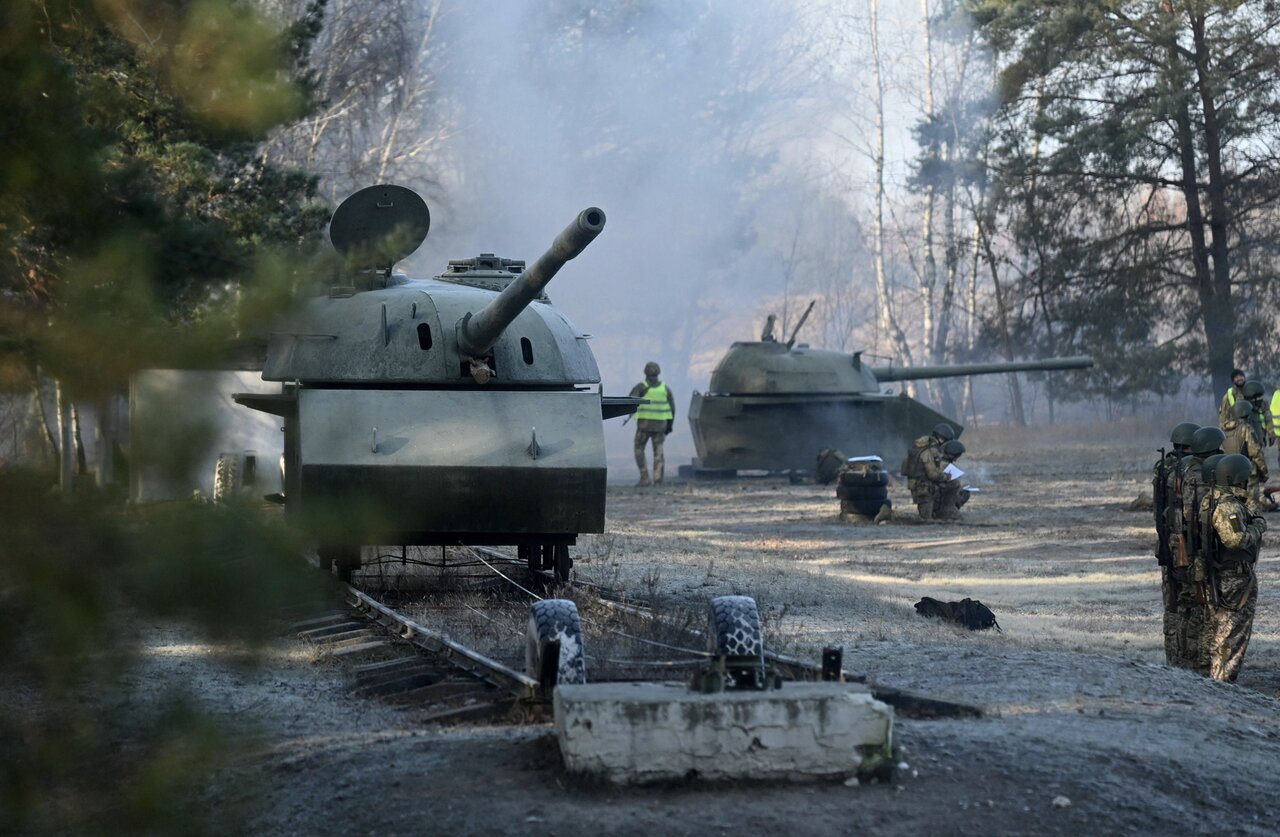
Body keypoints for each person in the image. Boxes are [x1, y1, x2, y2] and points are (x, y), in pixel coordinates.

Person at [1198, 453, 1265, 682]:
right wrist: (1257, 527)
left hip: (1223, 576)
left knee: (1221, 632)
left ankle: (1217, 679)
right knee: (1231, 633)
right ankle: (1222, 682)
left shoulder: (1212, 499)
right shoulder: (1228, 507)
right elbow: (1235, 539)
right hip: (1233, 578)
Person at [1154, 422, 1199, 667]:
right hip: (1181, 543)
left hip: (1167, 541)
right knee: (1188, 603)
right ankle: (1187, 658)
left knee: (1172, 605)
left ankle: (1174, 658)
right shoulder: (1186, 472)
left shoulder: (1165, 470)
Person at [629, 361, 676, 486]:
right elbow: (672, 409)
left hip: (644, 426)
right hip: (660, 426)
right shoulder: (665, 389)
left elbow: (630, 401)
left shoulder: (640, 387)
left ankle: (644, 478)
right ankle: (658, 479)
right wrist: (670, 426)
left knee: (638, 449)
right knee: (658, 453)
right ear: (658, 372)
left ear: (645, 372)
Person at [901, 423, 960, 521]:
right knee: (926, 520)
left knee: (954, 484)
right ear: (941, 438)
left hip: (922, 487)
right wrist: (946, 476)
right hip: (923, 489)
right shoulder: (928, 451)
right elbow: (933, 474)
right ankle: (891, 515)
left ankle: (944, 510)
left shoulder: (921, 447)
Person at [1221, 400, 1269, 506]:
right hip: (1247, 471)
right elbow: (1255, 453)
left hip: (1228, 472)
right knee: (1252, 506)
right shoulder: (1246, 428)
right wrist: (1264, 472)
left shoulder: (1224, 430)